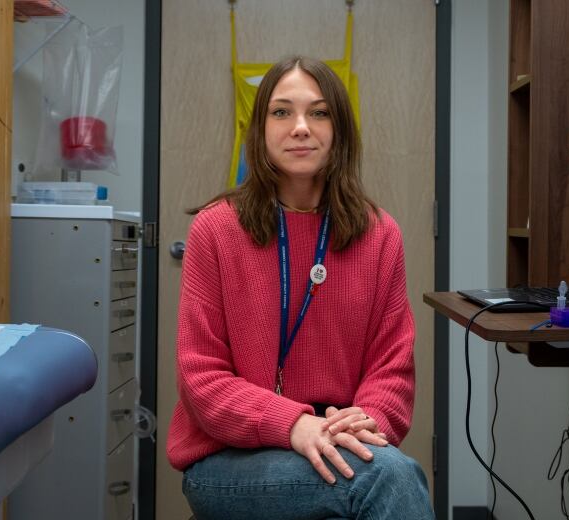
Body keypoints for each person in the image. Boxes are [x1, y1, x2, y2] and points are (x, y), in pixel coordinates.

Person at [167, 55, 435, 520]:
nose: (300, 127)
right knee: (390, 478)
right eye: (281, 111)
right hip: (225, 461)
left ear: (341, 130)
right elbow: (201, 379)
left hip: (337, 442)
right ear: (260, 129)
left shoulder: (380, 234)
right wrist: (292, 424)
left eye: (319, 112)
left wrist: (366, 418)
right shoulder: (216, 228)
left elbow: (393, 368)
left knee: (388, 472)